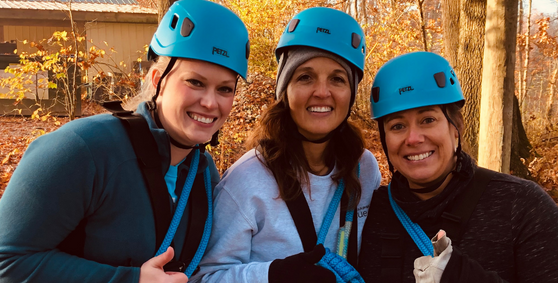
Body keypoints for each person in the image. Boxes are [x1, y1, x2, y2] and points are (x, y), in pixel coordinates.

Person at [0, 0, 249, 282]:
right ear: (157, 80)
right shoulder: (82, 149)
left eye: (225, 89)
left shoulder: (203, 175)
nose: (210, 102)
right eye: (195, 82)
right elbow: (7, 261)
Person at [192, 7, 381, 283]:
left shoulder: (364, 169)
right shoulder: (247, 181)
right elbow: (205, 278)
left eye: (337, 79)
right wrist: (273, 275)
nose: (322, 92)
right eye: (305, 77)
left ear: (351, 94)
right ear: (285, 90)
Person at [357, 51, 558, 282]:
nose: (413, 138)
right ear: (384, 140)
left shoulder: (521, 206)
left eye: (428, 120)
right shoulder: (372, 212)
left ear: (456, 128)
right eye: (397, 125)